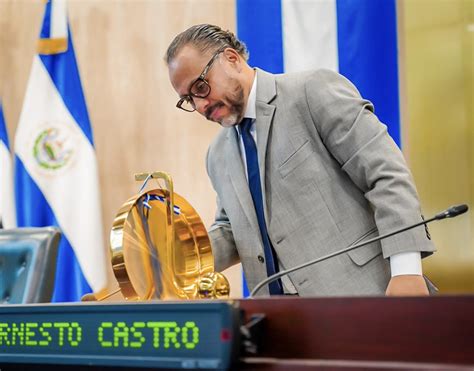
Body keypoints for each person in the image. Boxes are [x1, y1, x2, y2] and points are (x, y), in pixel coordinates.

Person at [165, 24, 436, 296]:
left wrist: (407, 270)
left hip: (370, 297)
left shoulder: (311, 91)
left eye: (200, 86)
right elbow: (234, 232)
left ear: (231, 59)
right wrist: (179, 256)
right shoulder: (217, 155)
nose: (200, 106)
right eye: (188, 99)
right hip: (282, 323)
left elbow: (386, 174)